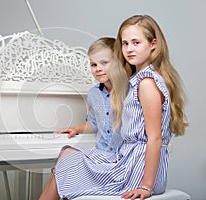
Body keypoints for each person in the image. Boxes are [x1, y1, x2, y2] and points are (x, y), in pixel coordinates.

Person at [39, 14, 188, 200]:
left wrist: (146, 186)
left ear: (153, 44)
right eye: (125, 43)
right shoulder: (139, 80)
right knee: (68, 158)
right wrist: (78, 128)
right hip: (129, 162)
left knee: (66, 165)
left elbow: (155, 138)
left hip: (136, 171)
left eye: (136, 42)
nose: (129, 49)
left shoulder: (147, 83)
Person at [55, 37, 128, 151]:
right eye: (94, 64)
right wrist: (76, 129)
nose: (98, 69)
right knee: (66, 155)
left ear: (118, 62)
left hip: (124, 155)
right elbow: (93, 123)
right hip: (102, 153)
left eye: (104, 63)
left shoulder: (129, 91)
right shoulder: (93, 94)